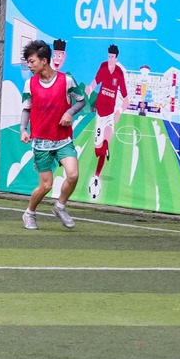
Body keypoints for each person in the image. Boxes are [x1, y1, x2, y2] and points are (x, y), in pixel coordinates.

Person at [20, 40, 86, 230]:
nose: (29, 65)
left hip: (63, 140)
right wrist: (23, 130)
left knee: (73, 175)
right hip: (41, 142)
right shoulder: (30, 84)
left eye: (32, 61)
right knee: (46, 186)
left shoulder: (66, 80)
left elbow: (81, 101)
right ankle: (29, 213)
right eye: (28, 62)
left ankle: (60, 206)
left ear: (44, 61)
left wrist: (69, 112)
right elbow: (26, 109)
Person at [84, 44, 129, 197]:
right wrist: (90, 88)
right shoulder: (103, 67)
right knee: (97, 151)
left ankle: (96, 176)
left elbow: (126, 100)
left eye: (112, 57)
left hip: (110, 114)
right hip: (100, 114)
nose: (110, 59)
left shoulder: (119, 74)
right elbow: (95, 82)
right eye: (109, 56)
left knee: (105, 142)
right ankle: (103, 146)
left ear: (116, 58)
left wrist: (119, 111)